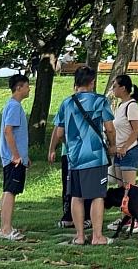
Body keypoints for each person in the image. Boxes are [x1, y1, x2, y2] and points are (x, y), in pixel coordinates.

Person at [48, 66, 116, 246]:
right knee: (97, 196)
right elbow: (109, 128)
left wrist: (67, 146)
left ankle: (79, 236)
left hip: (74, 157)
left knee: (76, 196)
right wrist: (113, 145)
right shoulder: (100, 101)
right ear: (92, 82)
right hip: (95, 156)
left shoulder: (66, 103)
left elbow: (60, 132)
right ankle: (97, 236)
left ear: (75, 82)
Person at [50, 84, 92, 229]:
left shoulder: (66, 104)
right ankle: (83, 217)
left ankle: (70, 216)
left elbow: (58, 130)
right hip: (86, 153)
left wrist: (53, 148)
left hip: (70, 152)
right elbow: (58, 129)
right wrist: (52, 148)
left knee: (70, 186)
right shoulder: (96, 103)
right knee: (84, 186)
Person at [107, 75, 138, 231]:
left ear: (123, 88)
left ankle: (136, 219)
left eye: (115, 86)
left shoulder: (132, 106)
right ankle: (125, 217)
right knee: (122, 188)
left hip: (129, 151)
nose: (113, 89)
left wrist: (124, 147)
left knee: (130, 188)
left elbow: (137, 129)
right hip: (118, 152)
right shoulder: (120, 106)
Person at [0, 73, 31, 241]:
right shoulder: (14, 107)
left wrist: (25, 155)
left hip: (14, 157)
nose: (29, 89)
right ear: (19, 88)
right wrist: (16, 155)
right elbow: (8, 131)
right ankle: (6, 229)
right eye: (27, 86)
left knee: (7, 191)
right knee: (10, 191)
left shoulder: (12, 106)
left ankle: (5, 226)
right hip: (13, 159)